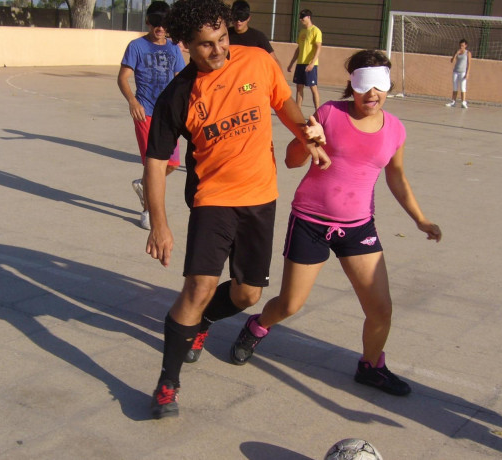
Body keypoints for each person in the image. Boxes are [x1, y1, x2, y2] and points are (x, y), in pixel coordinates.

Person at [144, 0, 330, 419]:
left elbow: (284, 103)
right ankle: (167, 385)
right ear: (186, 46)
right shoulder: (178, 94)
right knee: (198, 287)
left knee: (248, 294)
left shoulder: (258, 61)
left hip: (261, 196)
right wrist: (159, 224)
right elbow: (155, 163)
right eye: (206, 45)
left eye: (222, 39)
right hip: (213, 199)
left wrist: (308, 136)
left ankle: (203, 323)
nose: (218, 50)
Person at [230, 50, 442, 397]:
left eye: (379, 86)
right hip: (310, 221)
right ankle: (257, 327)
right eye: (363, 86)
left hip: (358, 227)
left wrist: (420, 219)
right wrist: (310, 139)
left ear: (388, 86)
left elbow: (397, 178)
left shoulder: (396, 130)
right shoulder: (329, 112)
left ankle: (371, 367)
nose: (371, 94)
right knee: (289, 304)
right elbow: (291, 160)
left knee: (381, 309)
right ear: (352, 86)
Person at [117, 1, 186, 230]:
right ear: (148, 22)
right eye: (156, 23)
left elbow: (180, 80)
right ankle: (148, 209)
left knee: (173, 163)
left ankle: (144, 184)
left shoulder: (174, 48)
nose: (160, 28)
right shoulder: (136, 46)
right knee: (153, 164)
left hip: (168, 115)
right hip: (145, 112)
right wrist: (132, 101)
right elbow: (123, 77)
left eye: (164, 24)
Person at [227, 0, 282, 68]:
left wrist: (280, 77)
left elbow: (274, 60)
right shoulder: (225, 35)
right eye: (236, 18)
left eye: (242, 18)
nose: (238, 21)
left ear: (248, 18)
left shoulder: (258, 37)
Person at [287, 9, 322, 111]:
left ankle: (318, 111)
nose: (301, 19)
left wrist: (312, 63)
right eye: (300, 17)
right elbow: (299, 49)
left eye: (303, 17)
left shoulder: (315, 31)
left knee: (313, 88)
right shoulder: (302, 32)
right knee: (299, 87)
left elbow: (319, 47)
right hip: (300, 63)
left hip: (310, 64)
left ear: (309, 17)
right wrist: (292, 63)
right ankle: (298, 110)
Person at [446, 38, 471, 109]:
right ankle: (453, 102)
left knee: (463, 87)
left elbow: (469, 64)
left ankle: (463, 102)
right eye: (460, 45)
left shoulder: (468, 53)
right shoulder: (457, 51)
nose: (461, 47)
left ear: (466, 45)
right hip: (456, 71)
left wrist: (467, 73)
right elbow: (452, 61)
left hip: (463, 72)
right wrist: (456, 54)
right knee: (455, 87)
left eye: (462, 45)